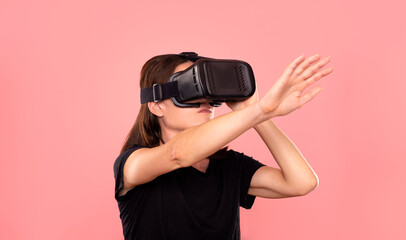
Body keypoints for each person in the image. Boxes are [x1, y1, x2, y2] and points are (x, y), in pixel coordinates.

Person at [113, 53, 333, 240]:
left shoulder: (228, 166)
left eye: (209, 92)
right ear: (156, 105)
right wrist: (261, 111)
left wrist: (259, 113)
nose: (206, 101)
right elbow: (177, 154)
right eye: (191, 89)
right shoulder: (133, 163)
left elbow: (301, 182)